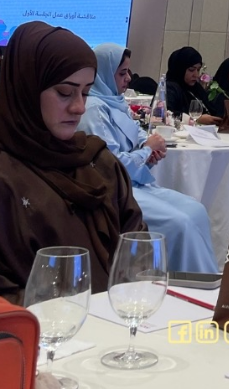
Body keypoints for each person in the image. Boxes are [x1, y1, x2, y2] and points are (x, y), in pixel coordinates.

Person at [0, 22, 144, 301]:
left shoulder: (99, 162)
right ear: (26, 88)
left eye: (85, 92)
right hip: (39, 327)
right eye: (65, 92)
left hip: (118, 320)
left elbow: (138, 253)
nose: (79, 107)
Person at [79, 44, 218, 273]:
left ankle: (205, 281)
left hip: (134, 183)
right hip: (115, 191)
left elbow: (138, 134)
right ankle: (182, 285)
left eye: (128, 71)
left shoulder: (115, 102)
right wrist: (145, 152)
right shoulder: (94, 109)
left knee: (197, 211)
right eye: (122, 73)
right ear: (103, 73)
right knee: (180, 223)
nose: (128, 78)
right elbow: (108, 166)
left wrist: (151, 148)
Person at [165, 46, 216, 124]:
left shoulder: (197, 88)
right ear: (180, 69)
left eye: (198, 70)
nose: (196, 75)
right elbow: (166, 114)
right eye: (191, 70)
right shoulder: (170, 88)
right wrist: (196, 119)